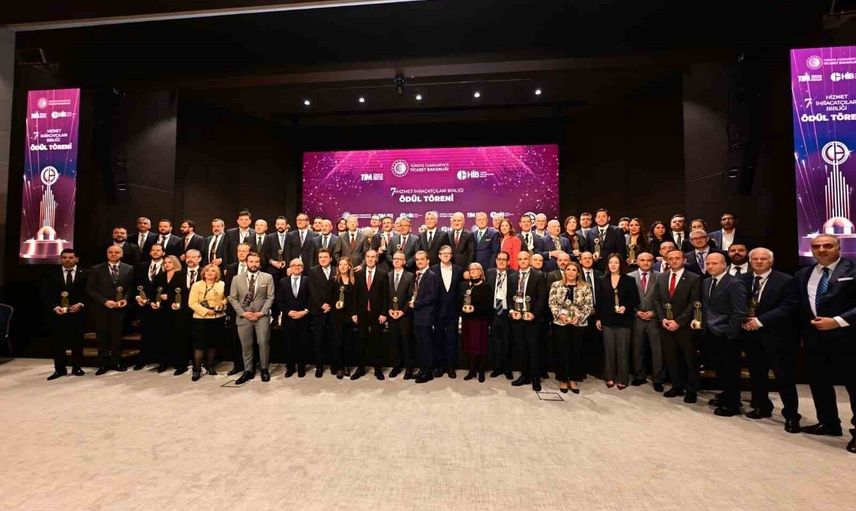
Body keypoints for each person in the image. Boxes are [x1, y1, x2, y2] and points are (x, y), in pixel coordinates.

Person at [794, 234, 856, 454]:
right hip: (814, 339)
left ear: (839, 247)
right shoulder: (803, 274)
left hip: (848, 337)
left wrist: (837, 321)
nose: (821, 250)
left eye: (827, 245)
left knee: (853, 385)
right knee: (819, 382)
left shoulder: (853, 269)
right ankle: (828, 423)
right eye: (816, 246)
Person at [739, 247, 801, 432]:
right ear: (750, 261)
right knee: (757, 375)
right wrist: (741, 320)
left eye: (763, 259)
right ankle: (762, 406)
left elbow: (788, 306)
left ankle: (791, 415)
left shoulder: (786, 280)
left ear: (771, 261)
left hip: (777, 337)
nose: (759, 261)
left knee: (784, 378)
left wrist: (759, 321)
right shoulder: (742, 279)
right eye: (755, 259)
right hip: (750, 336)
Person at [701, 252, 747, 416]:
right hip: (710, 332)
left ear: (724, 265)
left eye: (714, 263)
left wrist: (730, 333)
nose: (710, 266)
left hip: (727, 334)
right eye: (708, 263)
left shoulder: (735, 283)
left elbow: (739, 312)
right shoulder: (707, 282)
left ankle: (732, 404)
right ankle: (726, 395)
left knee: (731, 370)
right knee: (720, 368)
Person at [653, 249, 702, 403]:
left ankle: (691, 390)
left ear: (684, 260)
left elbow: (694, 303)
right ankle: (677, 386)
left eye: (677, 258)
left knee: (689, 359)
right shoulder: (661, 277)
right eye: (671, 258)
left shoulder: (694, 278)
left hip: (685, 327)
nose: (674, 261)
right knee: (671, 357)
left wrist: (679, 322)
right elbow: (656, 300)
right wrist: (662, 319)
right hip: (666, 325)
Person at [41, 248, 88, 380]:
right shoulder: (51, 274)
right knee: (58, 342)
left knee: (77, 342)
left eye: (71, 257)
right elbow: (45, 293)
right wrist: (55, 307)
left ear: (76, 259)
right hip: (58, 313)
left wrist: (81, 304)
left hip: (78, 313)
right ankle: (59, 369)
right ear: (60, 259)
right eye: (64, 257)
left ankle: (77, 367)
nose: (67, 260)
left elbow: (89, 292)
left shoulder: (86, 273)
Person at [228, 252, 275, 384]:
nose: (254, 264)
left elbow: (270, 297)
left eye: (256, 262)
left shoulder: (267, 277)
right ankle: (248, 370)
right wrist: (243, 313)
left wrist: (262, 312)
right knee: (246, 345)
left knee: (263, 342)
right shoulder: (236, 279)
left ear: (259, 263)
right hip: (244, 317)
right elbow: (232, 298)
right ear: (246, 263)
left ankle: (264, 369)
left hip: (261, 316)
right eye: (251, 262)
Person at [595, 253, 640, 389]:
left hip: (623, 320)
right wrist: (598, 318)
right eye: (610, 262)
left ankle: (622, 378)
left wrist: (625, 307)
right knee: (609, 350)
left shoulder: (629, 280)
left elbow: (635, 300)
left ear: (621, 264)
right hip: (607, 320)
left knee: (623, 350)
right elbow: (599, 301)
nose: (613, 265)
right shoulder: (602, 279)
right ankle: (609, 376)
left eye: (616, 262)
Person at [88, 245, 135, 374]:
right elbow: (91, 289)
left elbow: (130, 288)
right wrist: (105, 302)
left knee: (117, 336)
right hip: (102, 308)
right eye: (111, 252)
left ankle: (116, 361)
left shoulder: (129, 268)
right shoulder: (96, 269)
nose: (113, 254)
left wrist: (126, 299)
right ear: (107, 254)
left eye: (116, 252)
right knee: (102, 336)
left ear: (122, 254)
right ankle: (103, 363)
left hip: (120, 308)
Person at [549, 261, 593, 393]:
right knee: (562, 351)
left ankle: (573, 379)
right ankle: (563, 379)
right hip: (561, 323)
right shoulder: (556, 285)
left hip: (578, 323)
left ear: (578, 273)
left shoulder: (585, 287)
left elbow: (588, 305)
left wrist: (579, 317)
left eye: (574, 270)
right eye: (568, 269)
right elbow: (552, 303)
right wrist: (560, 315)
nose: (571, 272)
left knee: (576, 351)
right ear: (565, 271)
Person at [510, 250, 547, 392]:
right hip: (517, 319)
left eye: (525, 258)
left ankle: (535, 378)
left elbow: (542, 298)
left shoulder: (539, 275)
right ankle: (524, 376)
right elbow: (509, 296)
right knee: (521, 348)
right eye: (520, 259)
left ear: (530, 260)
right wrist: (512, 311)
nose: (523, 261)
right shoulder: (513, 276)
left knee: (534, 349)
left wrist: (533, 314)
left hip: (532, 319)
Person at [628, 252, 665, 391]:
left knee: (657, 350)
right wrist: (636, 312)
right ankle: (639, 376)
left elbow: (664, 298)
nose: (645, 263)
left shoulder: (660, 276)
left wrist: (654, 312)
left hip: (654, 318)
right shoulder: (630, 277)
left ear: (653, 262)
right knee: (637, 348)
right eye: (642, 260)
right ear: (637, 262)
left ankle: (658, 379)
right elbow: (627, 298)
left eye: (648, 260)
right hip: (636, 317)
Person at [352, 250, 389, 380]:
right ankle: (360, 369)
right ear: (365, 259)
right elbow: (355, 296)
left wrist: (384, 313)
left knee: (376, 342)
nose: (370, 259)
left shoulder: (383, 274)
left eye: (373, 257)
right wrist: (354, 313)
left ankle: (378, 369)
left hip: (377, 313)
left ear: (377, 259)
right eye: (368, 257)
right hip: (361, 313)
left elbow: (386, 296)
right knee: (360, 341)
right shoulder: (358, 274)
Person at [188, 264, 227, 381]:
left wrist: (222, 304)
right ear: (203, 273)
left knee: (212, 344)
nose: (210, 273)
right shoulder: (197, 285)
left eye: (213, 271)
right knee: (199, 345)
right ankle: (197, 369)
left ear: (217, 274)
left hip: (217, 317)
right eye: (207, 271)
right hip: (200, 318)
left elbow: (226, 298)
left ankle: (210, 366)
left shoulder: (221, 284)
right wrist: (206, 311)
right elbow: (192, 303)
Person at [431, 245, 464, 378]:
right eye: (443, 253)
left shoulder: (458, 270)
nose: (446, 255)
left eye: (448, 253)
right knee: (439, 339)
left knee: (452, 339)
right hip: (437, 311)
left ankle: (451, 367)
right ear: (439, 255)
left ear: (451, 255)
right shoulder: (432, 270)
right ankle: (441, 366)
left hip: (453, 311)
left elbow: (460, 291)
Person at [133, 243, 165, 371]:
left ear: (163, 253)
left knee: (161, 334)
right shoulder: (142, 266)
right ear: (150, 253)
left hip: (162, 306)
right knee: (145, 333)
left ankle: (162, 361)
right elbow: (135, 284)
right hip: (144, 305)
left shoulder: (168, 265)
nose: (156, 252)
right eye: (153, 250)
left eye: (158, 250)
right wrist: (137, 297)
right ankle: (144, 359)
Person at [487, 251, 518, 379]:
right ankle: (497, 367)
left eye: (504, 259)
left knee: (507, 341)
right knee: (495, 341)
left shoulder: (514, 274)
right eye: (499, 259)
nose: (501, 261)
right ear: (495, 260)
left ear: (508, 261)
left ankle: (507, 369)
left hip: (507, 312)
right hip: (494, 312)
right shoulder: (489, 273)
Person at [150, 255, 184, 373]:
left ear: (175, 263)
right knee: (163, 336)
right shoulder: (159, 276)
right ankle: (163, 362)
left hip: (177, 309)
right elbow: (153, 292)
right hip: (163, 310)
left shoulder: (181, 275)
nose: (167, 264)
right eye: (165, 262)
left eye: (170, 262)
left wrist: (169, 297)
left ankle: (179, 363)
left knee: (178, 336)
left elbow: (184, 292)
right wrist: (153, 302)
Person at [171, 249, 202, 376]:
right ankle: (182, 365)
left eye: (193, 257)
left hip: (200, 312)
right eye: (188, 257)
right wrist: (172, 302)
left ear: (199, 258)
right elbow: (172, 292)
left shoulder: (205, 272)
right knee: (181, 337)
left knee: (198, 338)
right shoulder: (178, 274)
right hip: (182, 311)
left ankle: (197, 365)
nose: (190, 259)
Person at [279, 258, 311, 379]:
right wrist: (288, 312)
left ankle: (301, 368)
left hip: (304, 317)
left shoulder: (308, 280)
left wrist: (305, 311)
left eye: (299, 265)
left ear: (302, 268)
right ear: (290, 268)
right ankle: (290, 368)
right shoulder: (283, 282)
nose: (296, 267)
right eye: (294, 265)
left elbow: (312, 298)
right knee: (289, 344)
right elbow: (279, 300)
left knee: (303, 343)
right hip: (289, 318)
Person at [460, 262, 492, 382]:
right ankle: (472, 370)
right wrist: (462, 308)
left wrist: (475, 309)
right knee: (469, 345)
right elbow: (459, 300)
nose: (473, 271)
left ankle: (481, 370)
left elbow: (488, 305)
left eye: (475, 269)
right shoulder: (465, 286)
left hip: (480, 320)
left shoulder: (486, 286)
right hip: (467, 320)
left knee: (480, 345)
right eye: (471, 269)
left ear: (480, 272)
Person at [223, 242, 252, 375]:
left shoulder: (256, 266)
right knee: (236, 339)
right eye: (239, 251)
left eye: (244, 251)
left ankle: (251, 366)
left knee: (251, 339)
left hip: (252, 309)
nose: (241, 253)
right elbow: (227, 288)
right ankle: (238, 365)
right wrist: (235, 305)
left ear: (250, 253)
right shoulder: (231, 268)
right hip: (235, 309)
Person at [412, 251, 440, 383]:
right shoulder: (418, 275)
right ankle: (423, 369)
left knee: (427, 344)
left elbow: (432, 296)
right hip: (418, 315)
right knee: (421, 344)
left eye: (422, 259)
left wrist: (416, 303)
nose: (419, 261)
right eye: (417, 259)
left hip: (426, 315)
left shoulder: (431, 275)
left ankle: (428, 372)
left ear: (428, 261)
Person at [308, 248, 336, 377]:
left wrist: (331, 305)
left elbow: (338, 290)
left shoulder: (336, 270)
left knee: (333, 339)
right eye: (320, 257)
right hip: (318, 310)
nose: (323, 259)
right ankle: (319, 367)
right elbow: (312, 290)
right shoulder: (313, 271)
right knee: (318, 340)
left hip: (333, 310)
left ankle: (334, 365)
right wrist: (321, 304)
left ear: (331, 258)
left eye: (325, 257)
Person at [387, 251, 415, 379]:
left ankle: (409, 368)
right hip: (391, 314)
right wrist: (389, 310)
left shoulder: (410, 276)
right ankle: (396, 366)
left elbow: (411, 296)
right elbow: (384, 295)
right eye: (395, 259)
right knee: (394, 341)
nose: (397, 261)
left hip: (405, 315)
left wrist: (402, 311)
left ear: (404, 261)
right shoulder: (387, 275)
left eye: (399, 259)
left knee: (406, 341)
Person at [329, 256, 356, 379]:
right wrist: (334, 304)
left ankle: (346, 366)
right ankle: (338, 367)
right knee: (337, 341)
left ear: (349, 266)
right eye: (340, 264)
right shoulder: (333, 280)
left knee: (347, 342)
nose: (343, 267)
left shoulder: (354, 281)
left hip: (349, 316)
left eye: (345, 264)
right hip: (336, 316)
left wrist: (354, 314)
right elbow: (329, 297)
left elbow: (356, 299)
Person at [579, 251, 604, 378]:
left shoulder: (601, 275)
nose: (587, 260)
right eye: (585, 258)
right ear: (580, 261)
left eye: (590, 258)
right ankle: (582, 369)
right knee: (582, 342)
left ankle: (596, 369)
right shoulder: (576, 274)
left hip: (596, 313)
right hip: (581, 314)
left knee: (596, 342)